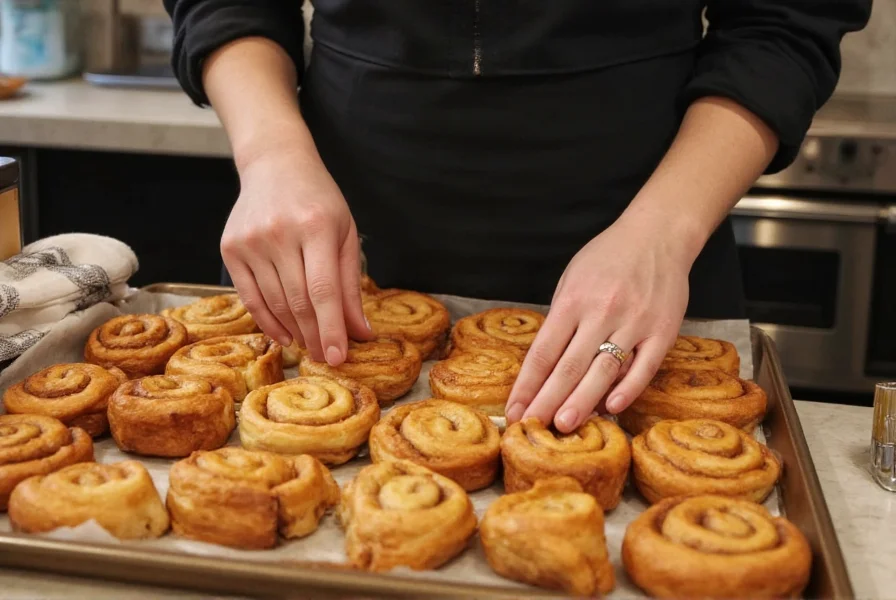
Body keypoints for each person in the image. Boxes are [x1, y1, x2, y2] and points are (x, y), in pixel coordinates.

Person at [163, 0, 870, 433]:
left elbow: (785, 19)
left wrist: (663, 232)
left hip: (651, 218)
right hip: (334, 218)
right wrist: (270, 156)